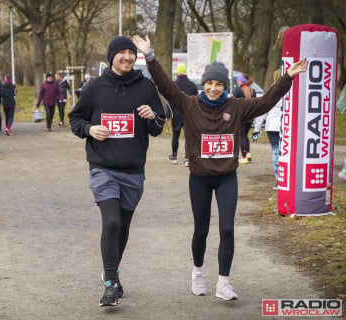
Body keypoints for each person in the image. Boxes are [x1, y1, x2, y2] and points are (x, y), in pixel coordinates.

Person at [132, 34, 308, 301]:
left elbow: (266, 102)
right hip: (199, 179)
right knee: (201, 228)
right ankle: (198, 272)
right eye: (209, 83)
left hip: (227, 178)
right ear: (203, 85)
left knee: (227, 228)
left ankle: (224, 282)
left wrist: (287, 78)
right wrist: (149, 56)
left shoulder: (235, 106)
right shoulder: (189, 104)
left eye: (218, 84)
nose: (213, 88)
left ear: (225, 86)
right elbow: (166, 86)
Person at [68, 35, 165, 307]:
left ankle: (113, 273)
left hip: (133, 170)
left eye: (131, 53)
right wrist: (90, 129)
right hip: (103, 167)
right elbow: (75, 119)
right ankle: (110, 284)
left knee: (122, 228)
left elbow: (157, 128)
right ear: (111, 57)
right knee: (110, 222)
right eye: (121, 53)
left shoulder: (146, 87)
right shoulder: (95, 87)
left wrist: (152, 117)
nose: (127, 57)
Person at [252, 69, 282, 188]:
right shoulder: (291, 92)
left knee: (276, 150)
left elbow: (262, 111)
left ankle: (278, 179)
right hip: (286, 125)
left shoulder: (271, 92)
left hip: (272, 125)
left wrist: (256, 130)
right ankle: (286, 177)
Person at [167, 63, 198, 166]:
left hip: (176, 113)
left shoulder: (174, 84)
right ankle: (186, 159)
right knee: (188, 136)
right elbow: (196, 100)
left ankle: (174, 157)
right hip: (188, 114)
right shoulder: (192, 85)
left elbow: (170, 101)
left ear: (177, 72)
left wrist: (167, 115)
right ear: (185, 72)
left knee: (175, 135)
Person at [233, 74, 256, 164]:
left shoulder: (238, 90)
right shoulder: (253, 91)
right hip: (250, 117)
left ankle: (244, 157)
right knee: (245, 136)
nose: (237, 82)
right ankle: (248, 153)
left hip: (241, 117)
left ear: (241, 81)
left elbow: (233, 103)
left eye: (238, 80)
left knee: (241, 136)